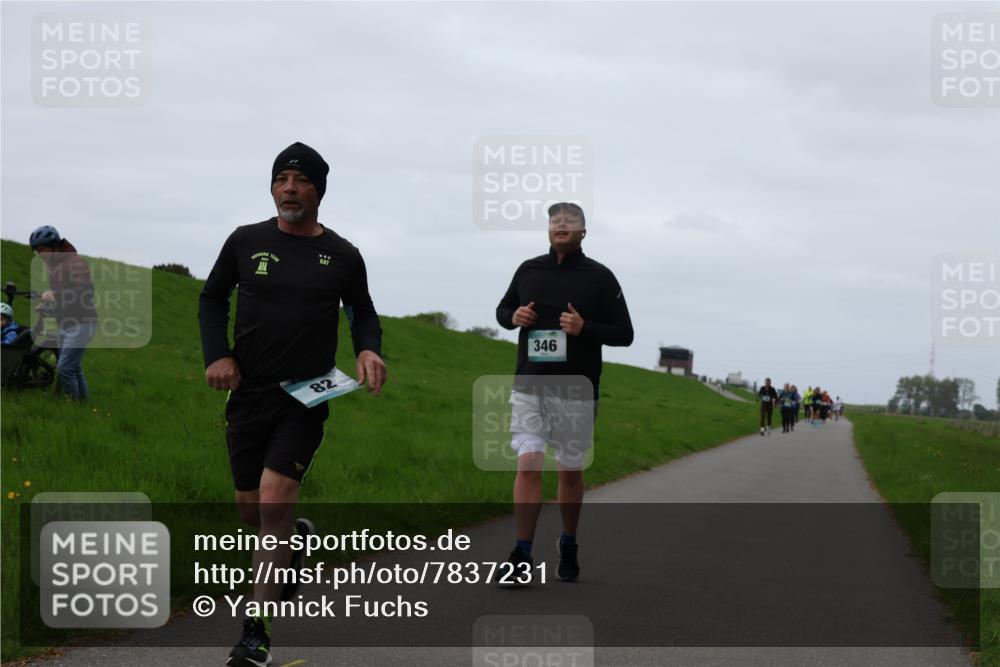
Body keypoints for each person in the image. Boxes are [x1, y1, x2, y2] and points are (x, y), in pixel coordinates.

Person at [198, 142, 387, 667]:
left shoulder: (343, 255)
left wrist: (368, 348)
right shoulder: (245, 241)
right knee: (251, 510)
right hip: (248, 392)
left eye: (300, 181)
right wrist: (217, 355)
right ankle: (294, 542)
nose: (289, 188)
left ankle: (254, 634)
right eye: (281, 179)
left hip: (307, 393)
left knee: (275, 498)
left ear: (318, 191)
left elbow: (363, 311)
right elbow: (211, 298)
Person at [496, 202, 633, 583]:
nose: (561, 224)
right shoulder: (529, 269)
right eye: (555, 219)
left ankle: (568, 542)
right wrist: (513, 317)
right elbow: (503, 309)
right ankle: (521, 554)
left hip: (576, 389)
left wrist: (585, 328)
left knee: (570, 473)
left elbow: (625, 334)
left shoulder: (600, 277)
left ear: (583, 231)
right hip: (530, 384)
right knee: (528, 463)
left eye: (570, 220)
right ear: (548, 229)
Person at [28, 226, 98, 400]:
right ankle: (83, 405)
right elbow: (66, 299)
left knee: (65, 368)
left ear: (54, 247)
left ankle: (74, 406)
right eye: (37, 251)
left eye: (42, 250)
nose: (40, 255)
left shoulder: (74, 262)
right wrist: (48, 307)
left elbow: (86, 292)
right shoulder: (56, 266)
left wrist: (56, 294)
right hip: (65, 322)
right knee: (74, 368)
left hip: (82, 322)